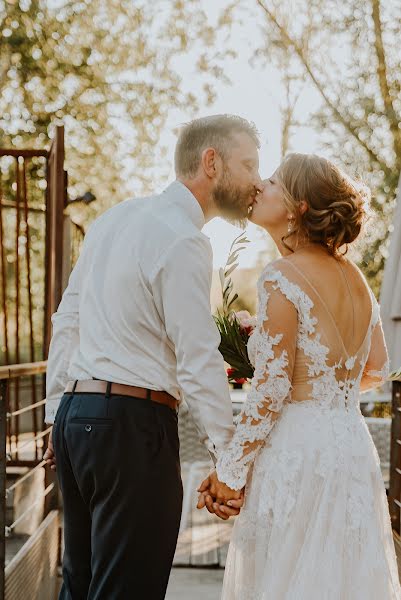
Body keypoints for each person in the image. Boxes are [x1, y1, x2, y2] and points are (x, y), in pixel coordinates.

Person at [43, 114, 262, 599]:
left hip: (77, 420)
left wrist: (56, 411)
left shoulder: (114, 219)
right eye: (248, 164)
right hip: (132, 429)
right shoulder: (183, 239)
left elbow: (68, 321)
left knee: (78, 585)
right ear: (212, 162)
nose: (257, 180)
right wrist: (229, 459)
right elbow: (197, 355)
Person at [198, 153, 401, 599]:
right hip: (350, 446)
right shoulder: (358, 280)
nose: (259, 188)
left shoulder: (282, 276)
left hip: (300, 452)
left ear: (298, 206)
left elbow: (271, 389)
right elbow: (379, 369)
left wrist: (230, 472)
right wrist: (327, 390)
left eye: (271, 181)